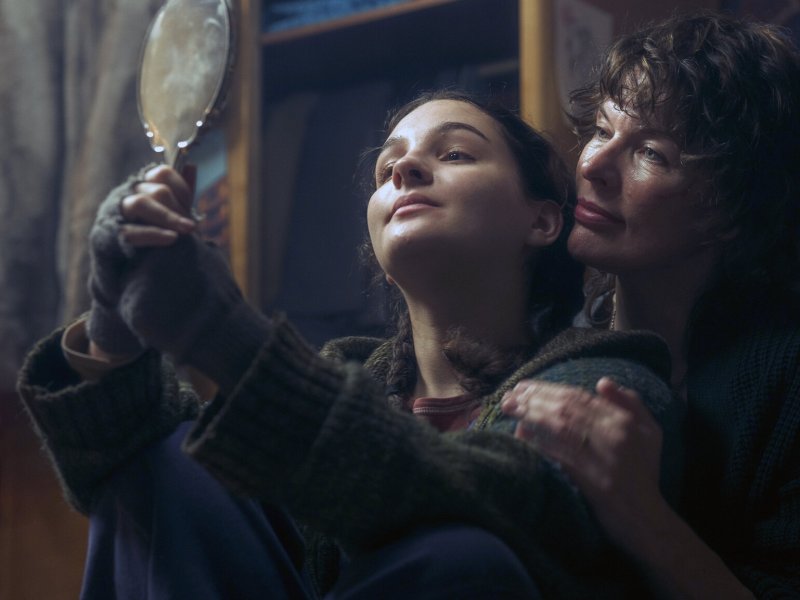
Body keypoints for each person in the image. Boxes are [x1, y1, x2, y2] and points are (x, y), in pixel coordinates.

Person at [18, 91, 681, 598]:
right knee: (170, 461)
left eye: (454, 154)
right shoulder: (343, 372)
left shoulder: (607, 378)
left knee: (458, 558)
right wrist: (112, 320)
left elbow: (494, 500)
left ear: (541, 220)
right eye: (388, 167)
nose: (406, 168)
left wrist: (218, 332)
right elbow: (133, 485)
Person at [501, 11, 800, 598]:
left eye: (651, 154)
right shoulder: (547, 328)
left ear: (734, 206)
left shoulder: (783, 378)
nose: (592, 165)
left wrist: (641, 515)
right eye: (601, 130)